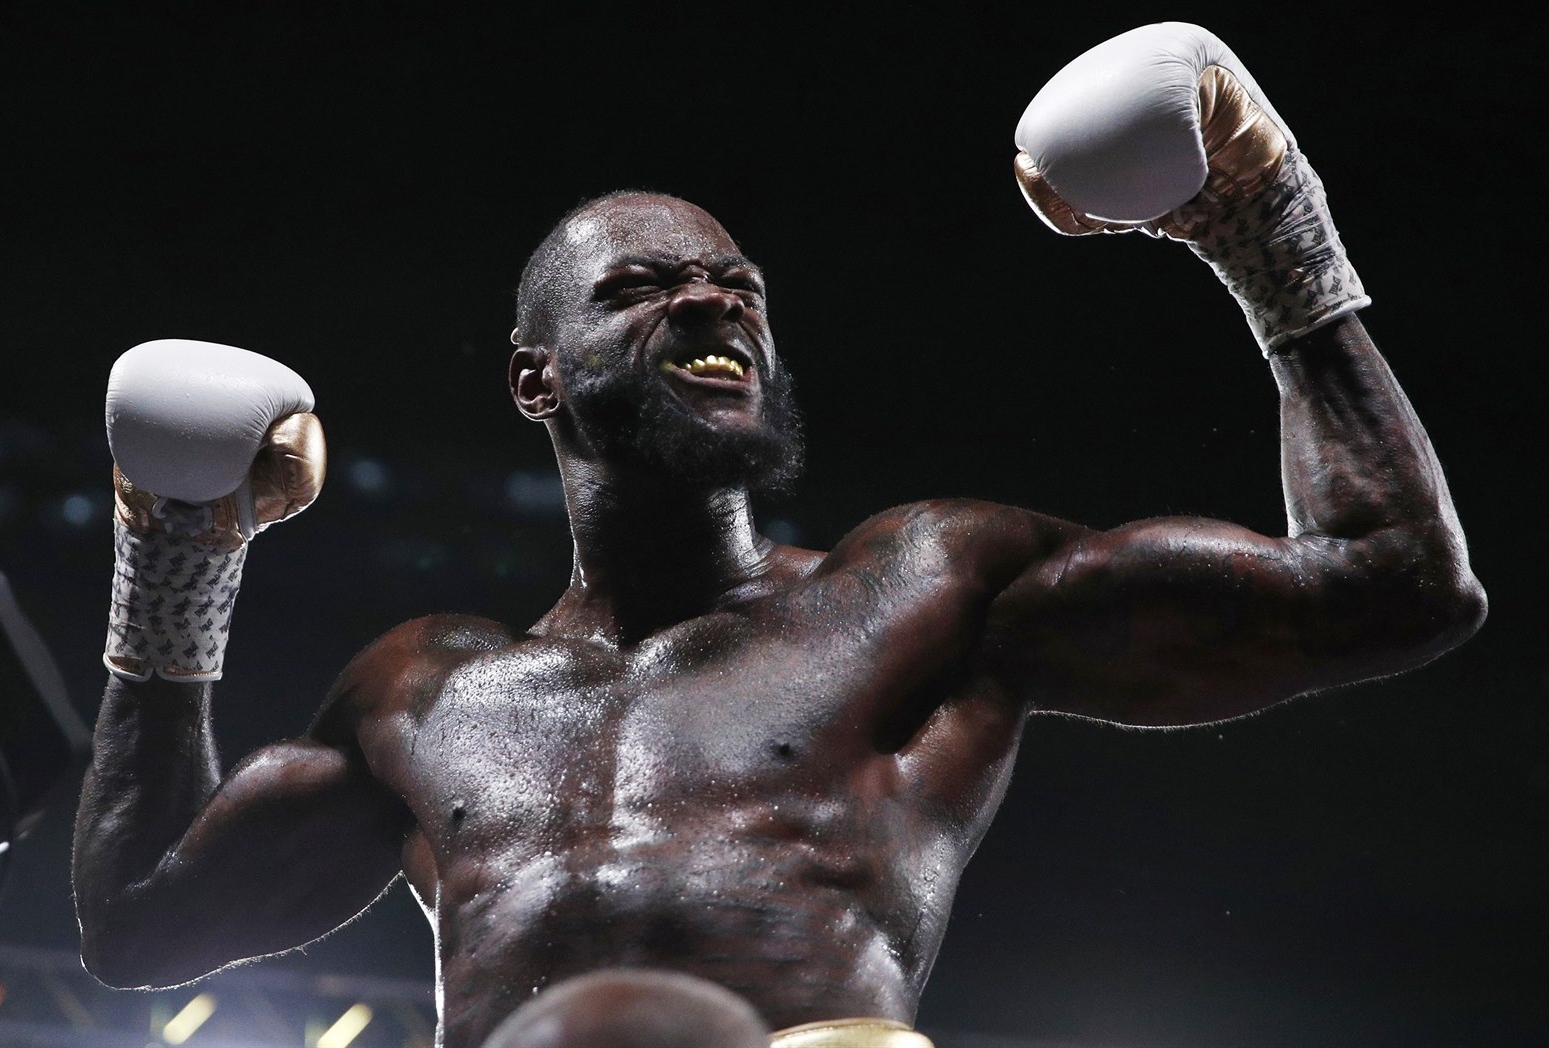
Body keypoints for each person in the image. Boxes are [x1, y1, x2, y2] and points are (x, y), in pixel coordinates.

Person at [72, 23, 1484, 1048]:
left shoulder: (918, 587)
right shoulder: (427, 689)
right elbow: (139, 921)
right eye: (641, 287)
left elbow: (1393, 587)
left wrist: (1267, 228)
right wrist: (178, 555)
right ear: (534, 382)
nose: (711, 302)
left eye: (737, 285)